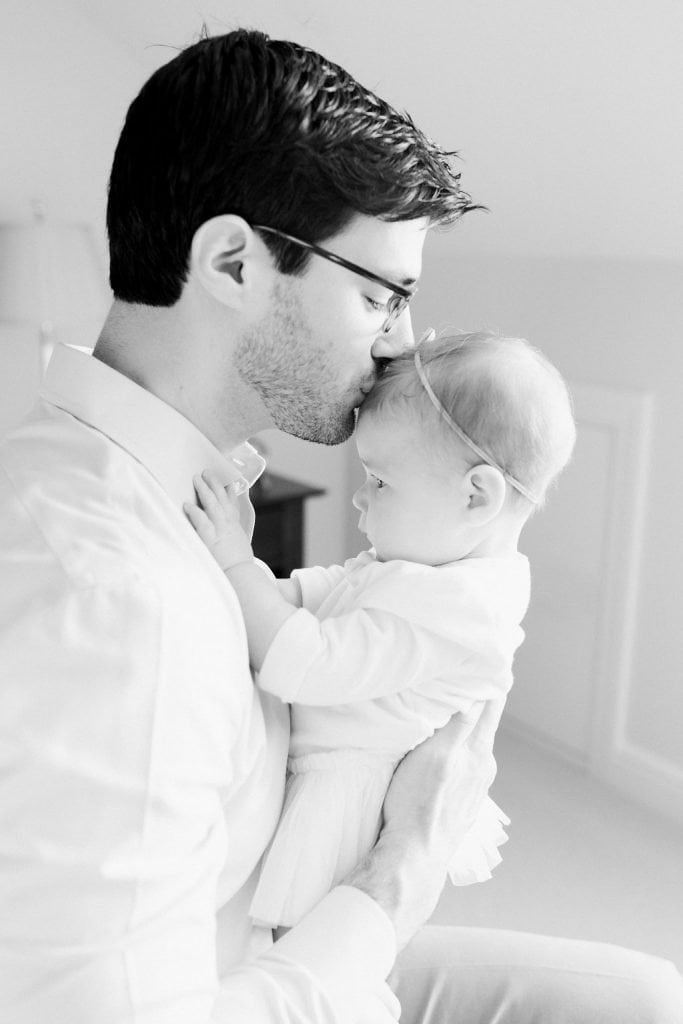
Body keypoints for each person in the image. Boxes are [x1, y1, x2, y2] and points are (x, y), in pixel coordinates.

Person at [0, 26, 681, 1024]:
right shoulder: (118, 607)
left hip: (261, 920)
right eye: (379, 293)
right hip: (248, 972)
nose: (403, 341)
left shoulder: (145, 475)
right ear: (233, 261)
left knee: (642, 997)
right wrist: (396, 873)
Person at [185, 331, 575, 931]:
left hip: (350, 805)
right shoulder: (428, 568)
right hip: (320, 760)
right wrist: (265, 587)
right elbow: (336, 591)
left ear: (477, 496)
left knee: (305, 944)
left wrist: (237, 565)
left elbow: (307, 665)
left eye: (381, 481)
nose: (359, 500)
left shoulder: (464, 609)